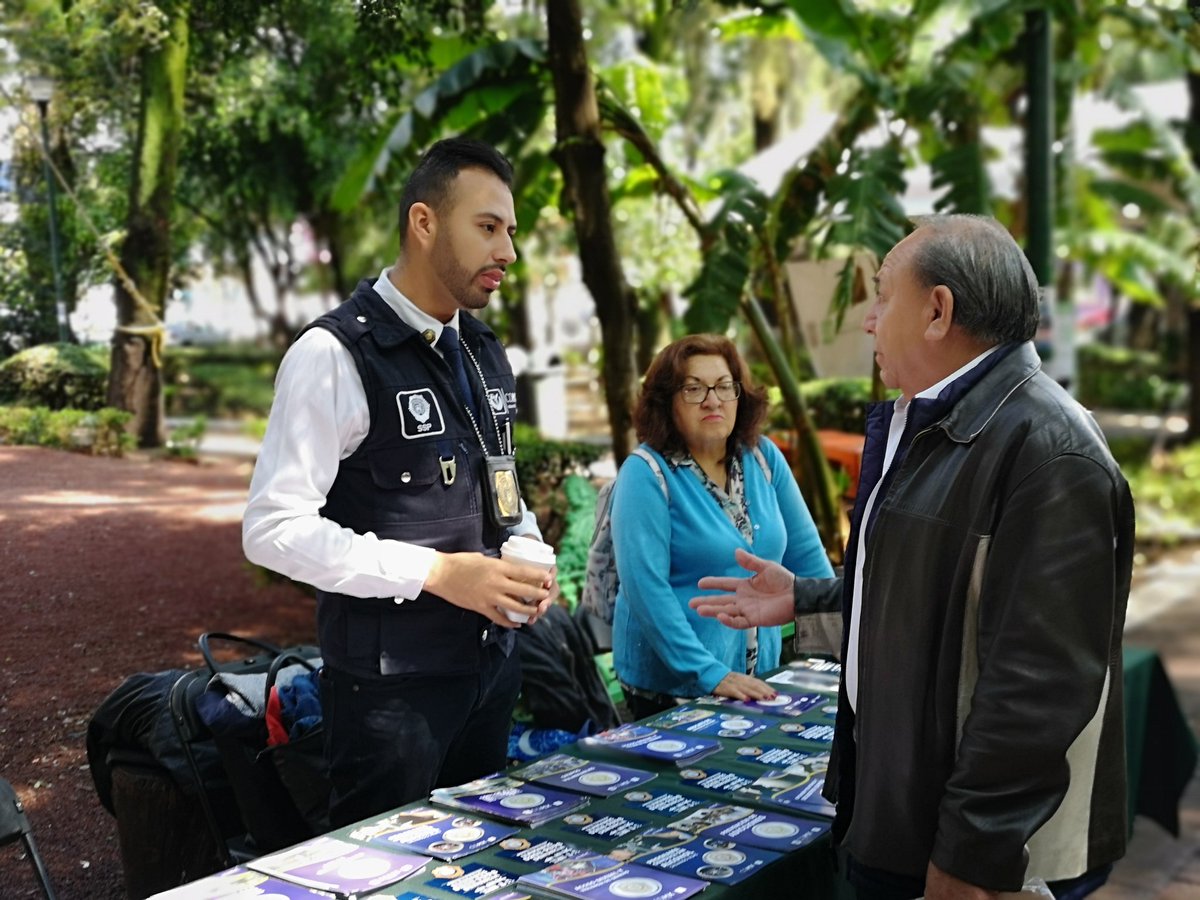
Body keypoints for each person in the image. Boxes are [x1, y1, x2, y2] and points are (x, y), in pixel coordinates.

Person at [691, 215, 1135, 899]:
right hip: (898, 816)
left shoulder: (1049, 452)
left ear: (937, 311)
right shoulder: (925, 423)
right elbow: (928, 596)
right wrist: (807, 598)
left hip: (967, 854)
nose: (868, 321)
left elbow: (1037, 687)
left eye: (881, 296)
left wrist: (968, 858)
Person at [243, 137, 558, 828]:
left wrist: (532, 553)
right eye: (487, 227)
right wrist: (439, 572)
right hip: (392, 696)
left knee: (480, 860)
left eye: (510, 230)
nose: (507, 250)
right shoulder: (333, 354)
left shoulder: (481, 350)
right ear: (424, 223)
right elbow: (272, 529)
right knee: (386, 873)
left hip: (491, 671)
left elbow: (501, 484)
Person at [610, 334, 834, 720]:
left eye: (725, 386)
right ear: (667, 402)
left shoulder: (763, 458)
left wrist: (841, 646)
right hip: (670, 690)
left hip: (757, 679)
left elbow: (809, 559)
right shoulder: (646, 473)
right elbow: (646, 590)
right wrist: (710, 674)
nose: (713, 400)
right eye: (693, 388)